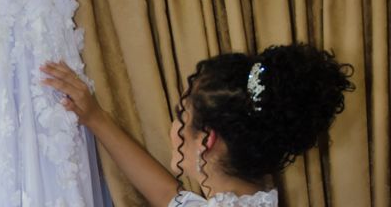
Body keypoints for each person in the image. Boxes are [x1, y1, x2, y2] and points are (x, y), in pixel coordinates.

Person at [40, 43, 354, 207]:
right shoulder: (256, 197)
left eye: (183, 115)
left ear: (207, 140)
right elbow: (167, 195)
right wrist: (95, 117)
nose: (174, 124)